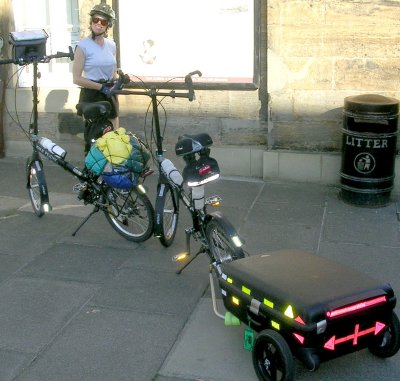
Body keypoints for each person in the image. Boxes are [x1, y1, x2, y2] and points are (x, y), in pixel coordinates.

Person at [73, 3, 119, 153]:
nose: (99, 24)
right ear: (91, 22)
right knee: (94, 139)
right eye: (95, 20)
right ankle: (90, 173)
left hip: (109, 93)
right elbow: (77, 78)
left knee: (113, 137)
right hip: (92, 94)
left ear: (108, 25)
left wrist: (117, 80)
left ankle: (112, 173)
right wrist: (101, 87)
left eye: (103, 21)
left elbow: (113, 71)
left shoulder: (111, 45)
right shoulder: (83, 46)